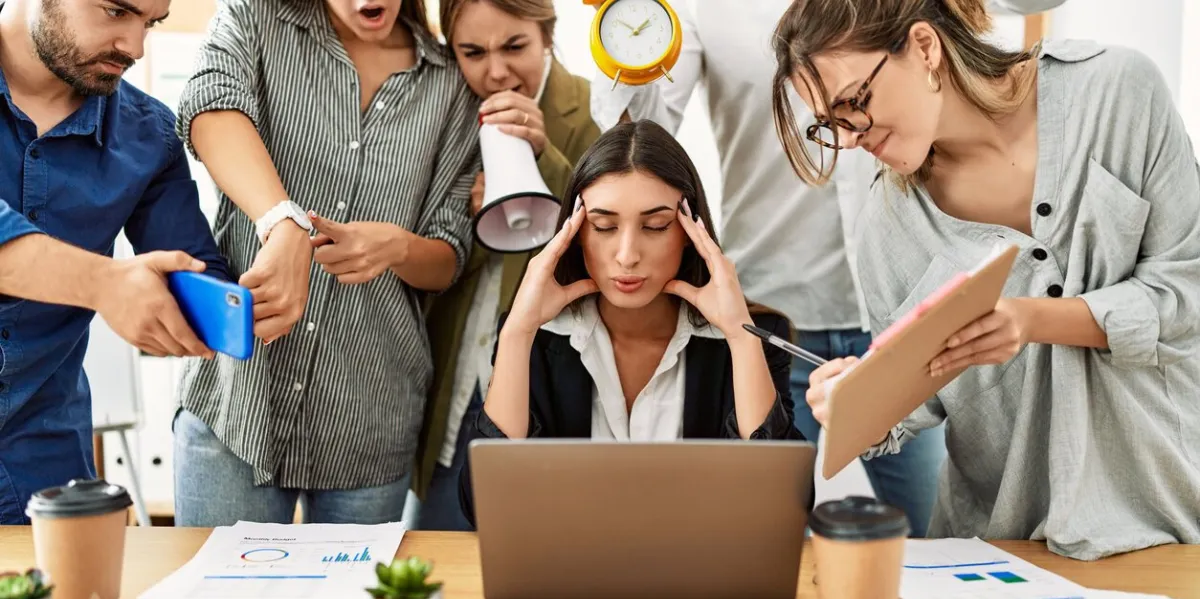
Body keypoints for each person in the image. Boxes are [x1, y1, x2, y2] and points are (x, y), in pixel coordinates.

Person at [589, 0, 1063, 536]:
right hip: (775, 325)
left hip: (906, 318)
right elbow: (639, 135)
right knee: (764, 535)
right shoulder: (704, 11)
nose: (848, 133)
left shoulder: (893, 20)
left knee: (939, 535)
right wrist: (619, 27)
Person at [775, 0, 1200, 559]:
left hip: (1170, 522)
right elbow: (913, 405)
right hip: (1002, 549)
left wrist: (1031, 319)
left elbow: (1185, 293)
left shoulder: (1119, 93)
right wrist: (857, 399)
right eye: (829, 124)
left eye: (854, 103)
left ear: (924, 47)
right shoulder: (888, 225)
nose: (850, 138)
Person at [172, 0, 479, 526]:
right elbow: (208, 105)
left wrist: (398, 247)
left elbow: (450, 254)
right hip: (237, 406)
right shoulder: (252, 19)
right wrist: (281, 220)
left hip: (371, 418)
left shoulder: (449, 84)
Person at [457, 120, 803, 525]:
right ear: (575, 232)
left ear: (690, 232)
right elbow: (484, 508)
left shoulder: (754, 337)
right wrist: (517, 332)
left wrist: (741, 338)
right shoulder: (537, 337)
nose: (627, 255)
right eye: (604, 226)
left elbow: (783, 506)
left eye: (655, 226)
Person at [0, 0, 229, 523]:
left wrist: (236, 306)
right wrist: (105, 283)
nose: (135, 46)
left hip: (43, 468)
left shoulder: (150, 136)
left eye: (150, 23)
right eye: (116, 11)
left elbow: (188, 269)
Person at [416, 0, 601, 531]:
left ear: (548, 35)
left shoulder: (596, 111)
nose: (496, 71)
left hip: (552, 390)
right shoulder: (445, 115)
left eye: (515, 46)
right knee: (444, 549)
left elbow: (614, 250)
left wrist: (544, 160)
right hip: (456, 385)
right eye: (472, 52)